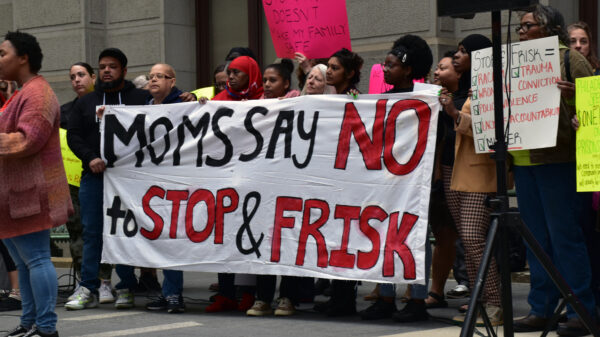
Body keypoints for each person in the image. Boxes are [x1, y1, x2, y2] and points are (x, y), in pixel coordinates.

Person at [509, 5, 596, 336]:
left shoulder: (569, 59)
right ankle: (541, 308)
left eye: (527, 26)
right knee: (536, 241)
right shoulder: (515, 61)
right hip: (523, 160)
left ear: (548, 28)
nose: (520, 32)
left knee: (565, 237)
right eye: (519, 27)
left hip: (558, 159)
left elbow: (594, 110)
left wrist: (577, 99)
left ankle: (582, 310)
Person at [0, 30, 72, 337]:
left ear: (23, 57)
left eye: (3, 53)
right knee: (25, 261)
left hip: (30, 194)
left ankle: (45, 327)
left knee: (38, 259)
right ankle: (30, 322)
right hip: (15, 195)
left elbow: (30, 139)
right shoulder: (21, 92)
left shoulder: (38, 92)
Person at [66, 48, 149, 311]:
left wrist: (189, 98)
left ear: (124, 70)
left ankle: (125, 286)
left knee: (123, 232)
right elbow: (74, 136)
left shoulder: (141, 98)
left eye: (112, 66)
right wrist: (90, 157)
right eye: (102, 66)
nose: (106, 71)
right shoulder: (86, 102)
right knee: (92, 233)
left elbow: (166, 117)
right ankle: (88, 287)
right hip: (94, 177)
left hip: (128, 180)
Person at [358, 35, 433, 323]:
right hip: (385, 180)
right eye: (384, 64)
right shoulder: (381, 101)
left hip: (415, 182)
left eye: (390, 65)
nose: (384, 69)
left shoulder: (426, 99)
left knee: (417, 238)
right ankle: (386, 297)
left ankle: (417, 300)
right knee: (383, 235)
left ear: (407, 69)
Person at [102, 63, 185, 314]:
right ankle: (161, 291)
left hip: (173, 184)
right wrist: (107, 119)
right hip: (145, 185)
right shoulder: (143, 108)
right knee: (145, 235)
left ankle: (173, 294)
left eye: (160, 76)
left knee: (171, 239)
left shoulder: (183, 105)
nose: (154, 80)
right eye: (151, 77)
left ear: (172, 81)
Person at [437, 34, 505, 327]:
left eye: (463, 52)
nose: (456, 56)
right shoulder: (459, 88)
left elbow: (490, 133)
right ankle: (481, 301)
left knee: (475, 238)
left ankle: (496, 303)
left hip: (479, 171)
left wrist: (454, 114)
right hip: (453, 171)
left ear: (477, 57)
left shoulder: (489, 88)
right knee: (468, 238)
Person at [205, 55, 263, 313]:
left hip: (254, 180)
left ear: (250, 75)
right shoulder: (218, 102)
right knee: (224, 236)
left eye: (237, 73)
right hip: (224, 180)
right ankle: (226, 292)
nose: (230, 78)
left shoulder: (265, 101)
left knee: (250, 235)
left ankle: (249, 293)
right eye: (229, 73)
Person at [246, 59, 300, 317]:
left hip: (289, 185)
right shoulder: (254, 108)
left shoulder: (300, 104)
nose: (267, 85)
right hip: (263, 186)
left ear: (286, 84)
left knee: (287, 241)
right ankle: (262, 298)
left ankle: (287, 297)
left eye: (273, 80)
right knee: (263, 241)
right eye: (265, 80)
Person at [60, 62, 117, 305]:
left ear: (93, 77)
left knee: (102, 230)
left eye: (81, 75)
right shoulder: (63, 111)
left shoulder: (109, 104)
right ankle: (84, 281)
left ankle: (104, 280)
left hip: (102, 176)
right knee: (78, 231)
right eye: (72, 77)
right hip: (71, 182)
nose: (77, 80)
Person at [313, 48, 364, 317]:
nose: (329, 71)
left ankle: (345, 299)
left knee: (345, 237)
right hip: (330, 178)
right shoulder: (329, 99)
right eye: (328, 67)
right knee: (334, 236)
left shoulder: (354, 100)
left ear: (350, 73)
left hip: (348, 179)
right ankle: (338, 296)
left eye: (334, 68)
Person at [425, 51, 470, 309]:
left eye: (443, 68)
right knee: (442, 235)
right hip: (442, 173)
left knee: (470, 235)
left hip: (464, 171)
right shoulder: (436, 99)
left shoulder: (466, 99)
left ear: (458, 72)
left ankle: (481, 293)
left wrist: (451, 110)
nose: (437, 73)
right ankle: (436, 290)